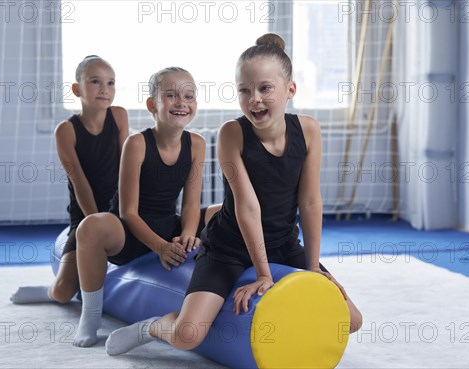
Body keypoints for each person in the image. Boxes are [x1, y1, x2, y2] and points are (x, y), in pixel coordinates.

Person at [104, 33, 363, 356]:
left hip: (282, 242)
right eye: (244, 90)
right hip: (228, 248)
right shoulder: (232, 134)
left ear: (290, 90)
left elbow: (310, 201)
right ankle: (151, 327)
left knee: (350, 320)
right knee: (188, 335)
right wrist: (264, 274)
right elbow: (247, 208)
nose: (254, 98)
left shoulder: (309, 130)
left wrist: (312, 267)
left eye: (265, 88)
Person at [70, 66, 220, 347]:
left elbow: (191, 203)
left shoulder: (196, 144)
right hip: (129, 231)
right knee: (90, 226)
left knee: (222, 211)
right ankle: (90, 314)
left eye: (189, 96)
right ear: (153, 104)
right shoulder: (137, 143)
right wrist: (161, 247)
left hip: (168, 222)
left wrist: (188, 232)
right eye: (171, 95)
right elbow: (128, 212)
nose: (181, 103)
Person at [10, 55, 129, 305]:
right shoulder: (66, 130)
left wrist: (124, 214)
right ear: (77, 89)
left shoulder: (119, 116)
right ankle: (46, 291)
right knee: (64, 292)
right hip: (85, 214)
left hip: (120, 206)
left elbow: (126, 169)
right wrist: (95, 224)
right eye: (95, 82)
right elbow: (79, 183)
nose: (104, 89)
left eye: (111, 83)